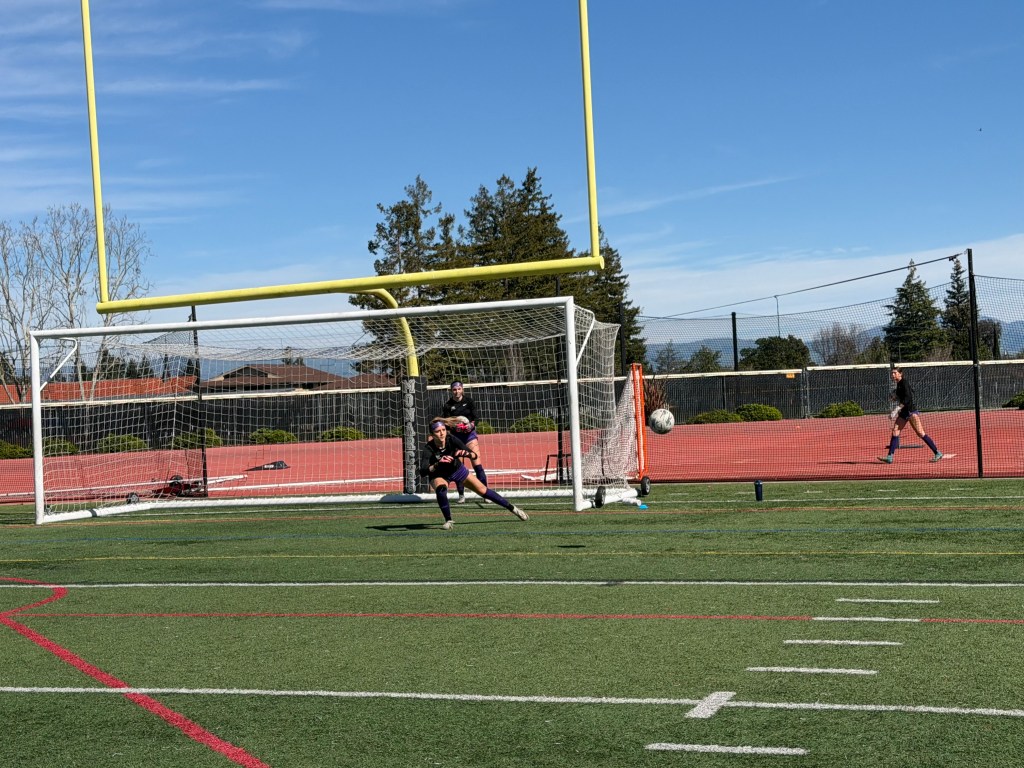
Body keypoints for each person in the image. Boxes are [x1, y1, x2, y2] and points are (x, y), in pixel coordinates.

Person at [420, 418, 528, 530]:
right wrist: (438, 464)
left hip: (457, 470)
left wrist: (465, 453)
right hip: (439, 474)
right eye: (438, 431)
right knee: (441, 490)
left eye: (443, 429)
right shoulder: (428, 448)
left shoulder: (451, 439)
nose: (442, 433)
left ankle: (514, 509)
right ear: (432, 434)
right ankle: (448, 520)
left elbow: (474, 455)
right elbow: (423, 471)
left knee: (483, 490)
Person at [878, 366, 943, 464]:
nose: (892, 375)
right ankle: (890, 457)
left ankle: (937, 453)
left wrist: (896, 409)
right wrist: (894, 397)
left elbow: (908, 398)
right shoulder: (899, 385)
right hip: (904, 413)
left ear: (900, 374)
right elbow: (902, 395)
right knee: (895, 431)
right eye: (892, 373)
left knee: (920, 433)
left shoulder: (904, 383)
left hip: (911, 412)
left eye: (895, 373)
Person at [441, 381, 487, 503]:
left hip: (469, 437)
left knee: (477, 464)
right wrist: (455, 427)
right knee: (459, 467)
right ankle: (461, 495)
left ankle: (485, 493)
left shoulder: (469, 401)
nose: (457, 392)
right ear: (451, 391)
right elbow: (446, 422)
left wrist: (471, 425)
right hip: (456, 439)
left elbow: (476, 418)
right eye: (454, 390)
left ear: (462, 389)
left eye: (459, 389)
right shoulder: (447, 405)